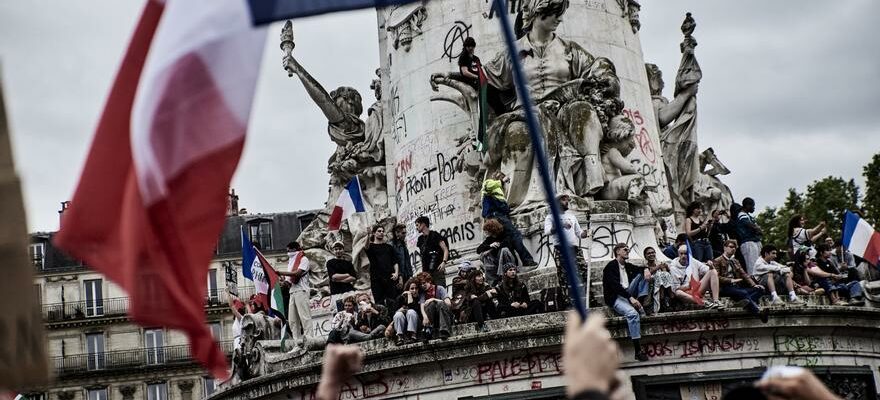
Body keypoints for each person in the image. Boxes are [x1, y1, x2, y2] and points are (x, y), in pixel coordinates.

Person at [601, 243, 649, 362]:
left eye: (628, 249)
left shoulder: (627, 266)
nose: (628, 251)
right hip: (616, 297)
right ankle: (638, 351)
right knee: (633, 314)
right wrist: (630, 298)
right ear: (617, 252)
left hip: (628, 293)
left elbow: (640, 269)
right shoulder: (610, 267)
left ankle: (641, 300)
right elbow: (615, 286)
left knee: (642, 275)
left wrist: (646, 269)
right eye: (625, 249)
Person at [544, 193, 589, 308]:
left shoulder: (572, 217)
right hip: (561, 249)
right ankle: (567, 302)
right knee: (564, 277)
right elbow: (548, 231)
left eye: (567, 200)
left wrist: (587, 233)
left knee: (585, 272)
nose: (566, 202)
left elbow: (579, 234)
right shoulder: (550, 217)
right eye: (563, 200)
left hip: (575, 249)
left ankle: (590, 298)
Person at [482, 172, 537, 266]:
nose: (505, 181)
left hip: (496, 216)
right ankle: (527, 260)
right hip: (496, 215)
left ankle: (513, 264)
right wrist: (502, 180)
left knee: (508, 240)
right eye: (502, 177)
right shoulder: (489, 182)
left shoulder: (498, 190)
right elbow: (488, 186)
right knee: (515, 236)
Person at [713, 240, 769, 323]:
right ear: (725, 248)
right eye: (731, 247)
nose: (733, 249)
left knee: (760, 289)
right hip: (725, 287)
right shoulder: (717, 260)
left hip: (736, 287)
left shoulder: (735, 261)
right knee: (743, 293)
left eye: (735, 247)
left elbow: (744, 274)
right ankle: (758, 312)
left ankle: (742, 303)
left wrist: (754, 285)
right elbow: (716, 277)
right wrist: (730, 280)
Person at [276, 241, 312, 345]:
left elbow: (297, 273)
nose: (288, 253)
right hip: (292, 292)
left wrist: (281, 272)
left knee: (305, 317)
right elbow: (289, 282)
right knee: (292, 320)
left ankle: (309, 339)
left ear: (295, 249)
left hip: (302, 291)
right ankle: (297, 342)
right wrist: (283, 282)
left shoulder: (304, 259)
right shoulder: (291, 262)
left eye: (289, 251)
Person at [669, 245, 725, 309]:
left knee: (713, 271)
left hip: (697, 289)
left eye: (685, 254)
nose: (683, 256)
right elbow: (675, 289)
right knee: (678, 292)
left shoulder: (693, 261)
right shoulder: (673, 267)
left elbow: (707, 270)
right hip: (686, 293)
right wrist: (688, 286)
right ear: (678, 254)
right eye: (681, 254)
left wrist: (711, 266)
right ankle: (703, 302)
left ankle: (716, 301)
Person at [364, 225, 401, 308]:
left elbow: (395, 261)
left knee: (393, 301)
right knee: (379, 303)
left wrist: (396, 273)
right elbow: (366, 247)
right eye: (379, 231)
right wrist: (368, 235)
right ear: (374, 233)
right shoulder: (371, 247)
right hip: (376, 279)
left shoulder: (389, 247)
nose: (381, 233)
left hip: (389, 277)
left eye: (382, 231)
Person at [477, 218, 517, 285]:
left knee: (504, 250)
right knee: (484, 254)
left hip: (508, 262)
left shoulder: (505, 234)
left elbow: (506, 245)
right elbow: (478, 250)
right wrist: (490, 246)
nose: (485, 232)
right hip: (497, 263)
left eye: (487, 230)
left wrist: (493, 248)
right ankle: (492, 279)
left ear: (491, 229)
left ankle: (502, 275)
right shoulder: (489, 239)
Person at [417, 272, 454, 340]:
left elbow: (448, 303)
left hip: (444, 317)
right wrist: (425, 317)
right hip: (432, 318)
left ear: (429, 281)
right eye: (421, 284)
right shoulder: (423, 294)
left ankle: (444, 331)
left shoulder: (439, 288)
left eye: (424, 283)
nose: (422, 285)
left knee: (440, 303)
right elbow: (422, 306)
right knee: (430, 305)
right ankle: (428, 330)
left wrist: (433, 299)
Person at [415, 216, 449, 287]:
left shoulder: (434, 235)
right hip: (426, 272)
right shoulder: (420, 239)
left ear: (423, 224)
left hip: (437, 270)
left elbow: (445, 249)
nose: (416, 227)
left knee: (440, 291)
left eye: (417, 225)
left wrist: (444, 262)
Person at [643, 247, 675, 313]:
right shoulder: (644, 266)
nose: (651, 254)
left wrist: (666, 268)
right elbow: (648, 274)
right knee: (659, 275)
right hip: (651, 286)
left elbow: (669, 274)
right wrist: (659, 267)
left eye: (652, 252)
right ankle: (666, 298)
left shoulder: (660, 263)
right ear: (645, 256)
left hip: (664, 286)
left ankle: (667, 298)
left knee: (663, 274)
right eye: (649, 253)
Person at [736, 197, 763, 275]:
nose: (754, 208)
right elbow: (751, 226)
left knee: (759, 264)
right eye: (753, 206)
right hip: (748, 242)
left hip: (755, 241)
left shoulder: (748, 215)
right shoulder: (742, 214)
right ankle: (754, 284)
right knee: (752, 266)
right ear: (747, 205)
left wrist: (758, 229)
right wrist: (757, 228)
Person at [392, 278, 421, 346]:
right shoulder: (400, 298)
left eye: (416, 288)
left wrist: (410, 296)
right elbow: (393, 313)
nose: (414, 290)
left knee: (411, 312)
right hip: (404, 324)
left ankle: (413, 336)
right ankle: (400, 338)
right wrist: (399, 310)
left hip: (417, 324)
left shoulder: (420, 297)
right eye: (412, 288)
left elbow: (416, 310)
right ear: (408, 289)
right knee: (398, 314)